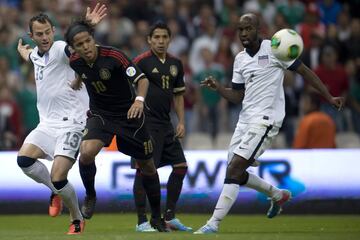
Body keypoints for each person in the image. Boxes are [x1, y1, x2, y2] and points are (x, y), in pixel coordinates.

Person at [194, 13, 344, 234]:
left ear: (258, 29)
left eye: (248, 28)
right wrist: (219, 88)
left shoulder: (276, 48)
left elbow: (305, 72)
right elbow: (237, 96)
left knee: (235, 168)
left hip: (266, 119)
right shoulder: (240, 59)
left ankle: (213, 224)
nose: (244, 33)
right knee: (235, 171)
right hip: (244, 120)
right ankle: (277, 194)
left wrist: (328, 96)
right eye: (240, 29)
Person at [65, 20, 167, 232]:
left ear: (94, 39)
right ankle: (91, 195)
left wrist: (139, 100)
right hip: (101, 115)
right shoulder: (75, 60)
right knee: (86, 152)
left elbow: (142, 80)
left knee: (147, 166)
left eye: (88, 41)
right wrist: (77, 81)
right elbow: (80, 69)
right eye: (80, 44)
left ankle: (157, 216)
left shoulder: (114, 56)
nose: (85, 47)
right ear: (74, 48)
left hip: (130, 114)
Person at [16, 4, 107, 235]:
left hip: (72, 123)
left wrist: (86, 26)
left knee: (59, 175)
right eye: (39, 34)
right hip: (46, 124)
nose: (44, 37)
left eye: (47, 32)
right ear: (32, 36)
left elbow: (78, 50)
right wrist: (24, 52)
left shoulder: (60, 48)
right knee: (24, 161)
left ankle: (76, 218)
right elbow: (32, 57)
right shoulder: (36, 55)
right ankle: (56, 192)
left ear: (53, 31)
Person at [130, 22, 192, 232]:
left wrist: (181, 121)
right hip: (145, 123)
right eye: (156, 37)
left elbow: (178, 95)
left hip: (166, 124)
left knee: (181, 167)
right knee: (144, 170)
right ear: (149, 40)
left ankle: (170, 216)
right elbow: (128, 88)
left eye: (164, 37)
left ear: (169, 39)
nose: (160, 41)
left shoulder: (176, 63)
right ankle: (141, 221)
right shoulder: (140, 61)